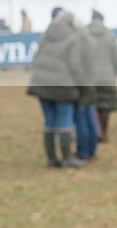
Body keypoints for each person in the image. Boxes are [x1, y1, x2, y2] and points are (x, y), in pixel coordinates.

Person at [26, 9, 85, 168]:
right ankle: (67, 158)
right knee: (65, 120)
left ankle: (51, 158)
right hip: (62, 86)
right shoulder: (73, 39)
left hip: (41, 84)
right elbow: (75, 65)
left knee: (49, 121)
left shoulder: (45, 35)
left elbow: (35, 58)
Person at [87, 10, 117, 142]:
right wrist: (115, 72)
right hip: (107, 77)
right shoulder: (110, 35)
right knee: (106, 106)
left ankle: (97, 131)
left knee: (93, 105)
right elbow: (116, 57)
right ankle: (104, 133)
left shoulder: (85, 33)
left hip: (90, 78)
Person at [72, 19, 98, 161]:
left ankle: (82, 151)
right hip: (90, 82)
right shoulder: (90, 39)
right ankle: (92, 149)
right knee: (89, 117)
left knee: (81, 118)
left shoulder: (77, 42)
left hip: (81, 84)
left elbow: (75, 65)